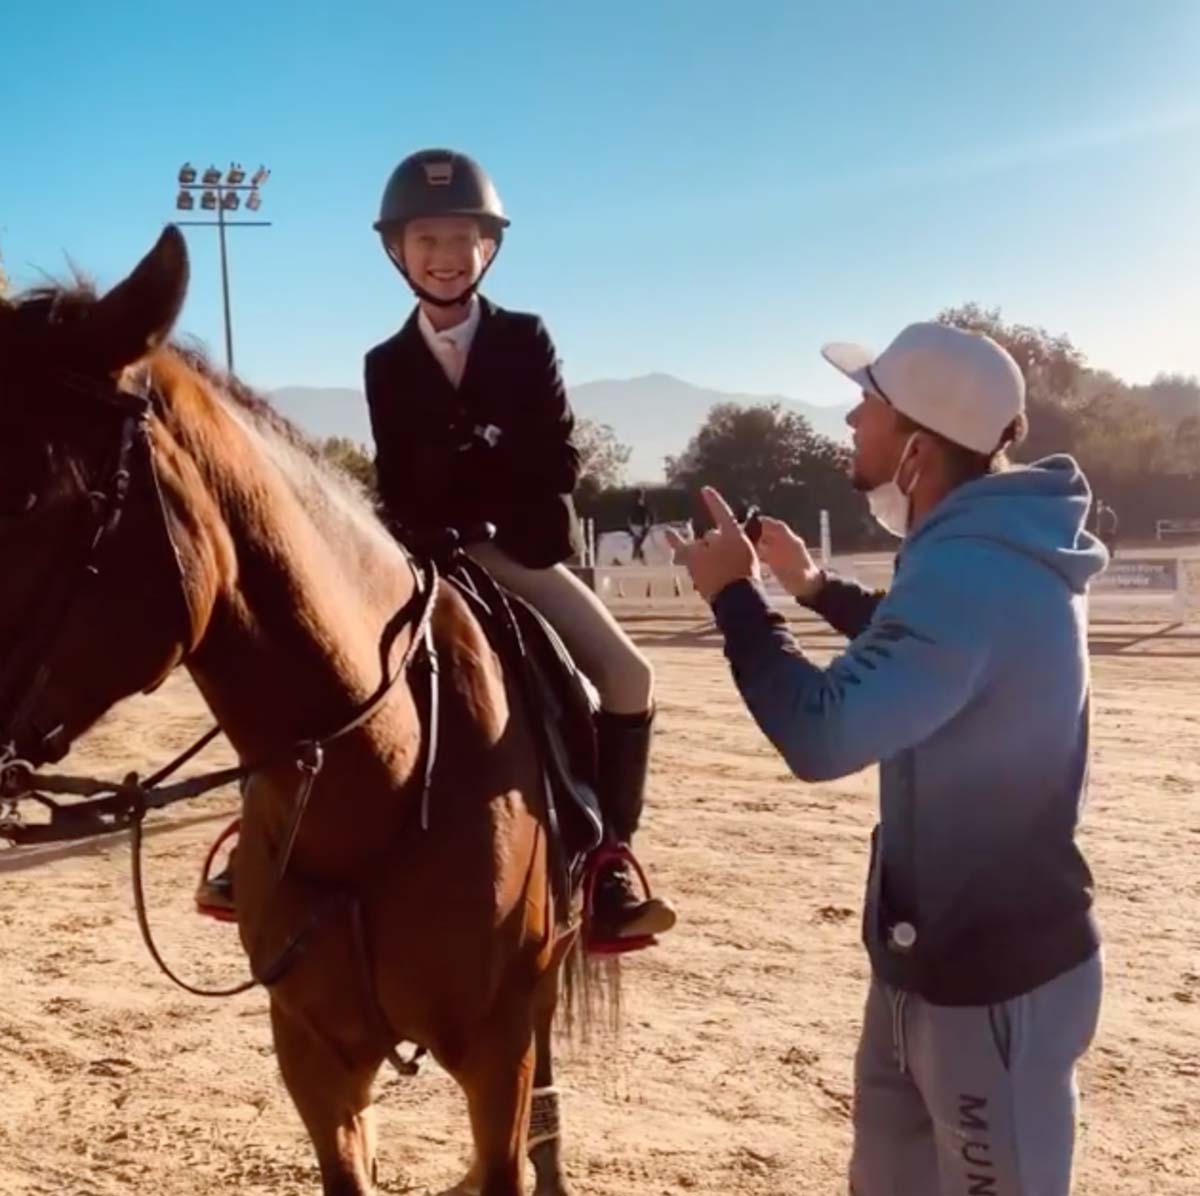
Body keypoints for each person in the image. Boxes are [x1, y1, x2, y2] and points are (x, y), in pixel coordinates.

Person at [668, 322, 1106, 1195]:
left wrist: (737, 600)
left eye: (868, 403)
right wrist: (815, 589)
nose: (851, 418)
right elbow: (924, 660)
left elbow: (825, 734)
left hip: (990, 979)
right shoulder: (977, 551)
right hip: (931, 959)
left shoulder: (971, 573)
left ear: (916, 446)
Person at [198, 150, 676, 945]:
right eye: (427, 241)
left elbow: (556, 459)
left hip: (516, 552)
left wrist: (483, 499)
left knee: (630, 675)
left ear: (489, 247)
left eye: (462, 240)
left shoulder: (526, 340)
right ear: (399, 251)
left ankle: (607, 864)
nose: (446, 258)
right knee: (306, 661)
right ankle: (257, 840)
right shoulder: (384, 364)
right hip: (420, 559)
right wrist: (439, 515)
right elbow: (395, 483)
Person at [627, 488, 654, 563]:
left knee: (639, 540)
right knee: (640, 539)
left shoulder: (633, 504)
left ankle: (636, 554)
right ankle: (638, 554)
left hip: (636, 524)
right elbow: (646, 513)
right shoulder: (641, 503)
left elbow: (630, 515)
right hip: (638, 524)